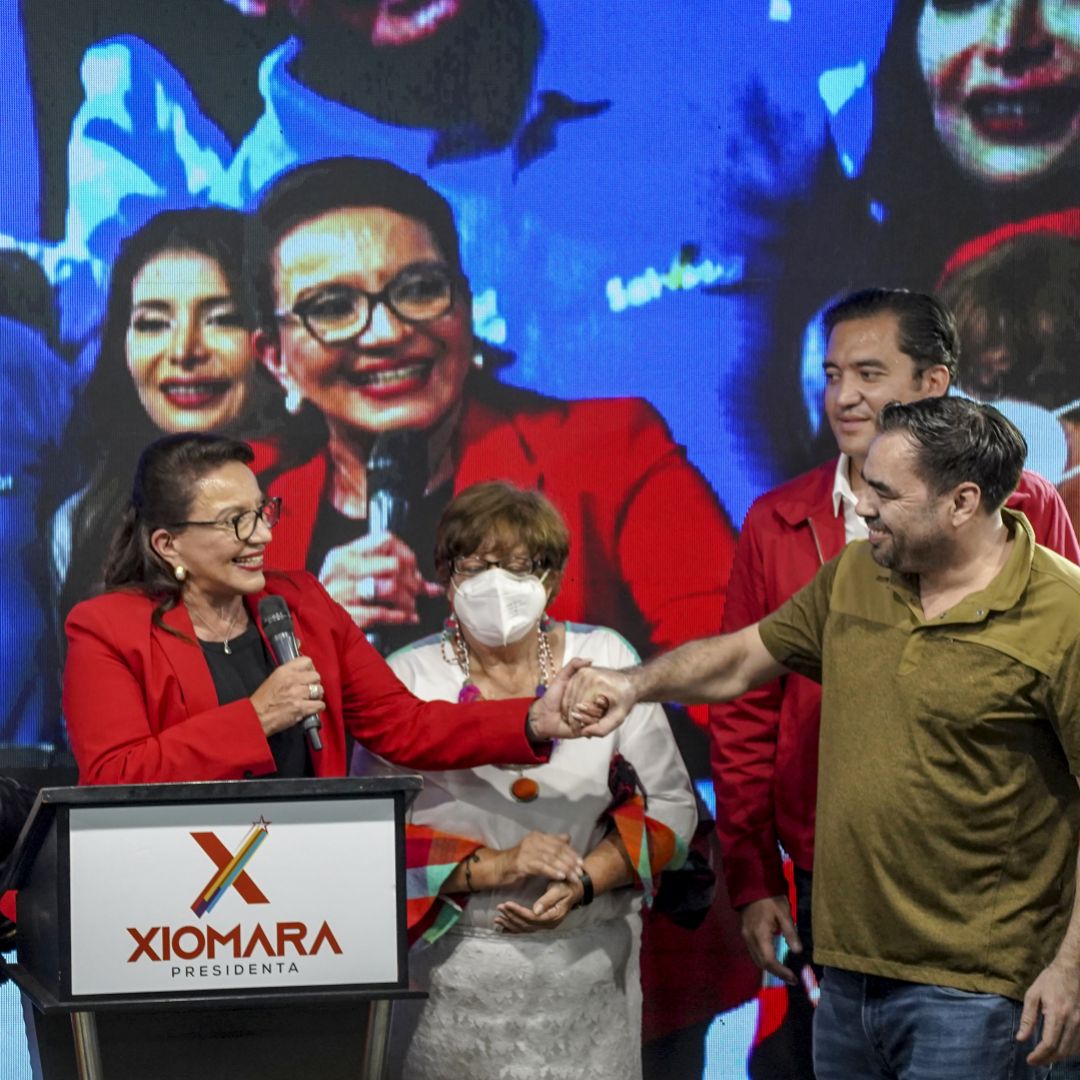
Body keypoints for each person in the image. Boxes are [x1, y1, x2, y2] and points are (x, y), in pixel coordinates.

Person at [567, 394, 1080, 1077]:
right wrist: (632, 685)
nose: (862, 505)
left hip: (981, 992)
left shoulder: (1063, 614)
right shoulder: (858, 574)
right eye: (867, 481)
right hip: (845, 977)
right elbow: (742, 658)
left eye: (886, 493)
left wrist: (1071, 968)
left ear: (961, 503)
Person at [712, 288, 1080, 998]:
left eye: (869, 375)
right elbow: (744, 716)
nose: (844, 397)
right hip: (830, 877)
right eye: (830, 375)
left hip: (992, 883)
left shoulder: (1027, 503)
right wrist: (754, 879)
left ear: (931, 385)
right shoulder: (777, 521)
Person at [249, 155, 737, 670]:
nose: (387, 333)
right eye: (332, 307)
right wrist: (301, 644)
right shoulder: (239, 510)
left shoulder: (613, 452)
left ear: (467, 305)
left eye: (419, 291)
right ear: (276, 359)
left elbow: (734, 679)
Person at [351, 480, 696, 1080]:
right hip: (451, 976)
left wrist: (589, 879)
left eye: (519, 566)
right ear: (446, 574)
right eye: (477, 565)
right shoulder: (403, 678)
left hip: (588, 971)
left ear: (551, 577)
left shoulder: (605, 659)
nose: (497, 584)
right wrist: (494, 867)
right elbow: (364, 837)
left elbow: (671, 808)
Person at [62, 433, 603, 786]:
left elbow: (406, 726)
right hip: (177, 898)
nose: (264, 534)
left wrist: (531, 719)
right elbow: (114, 774)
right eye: (236, 522)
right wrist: (257, 717)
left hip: (308, 879)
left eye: (262, 511)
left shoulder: (299, 603)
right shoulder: (109, 629)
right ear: (167, 544)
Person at [50, 207, 286, 624]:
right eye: (153, 324)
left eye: (223, 319)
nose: (184, 351)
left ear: (271, 340)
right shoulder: (80, 522)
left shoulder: (326, 498)